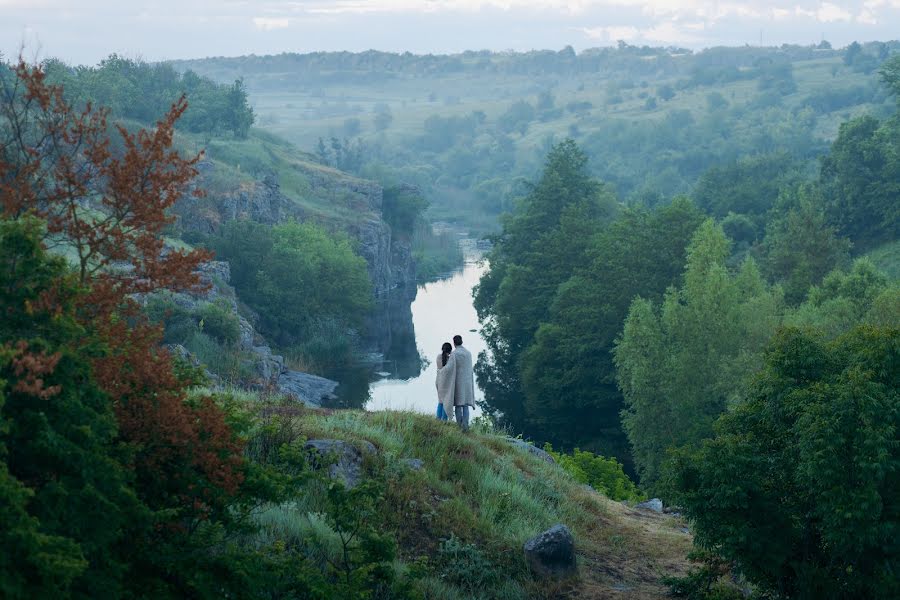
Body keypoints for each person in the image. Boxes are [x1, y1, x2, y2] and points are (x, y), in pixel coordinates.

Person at [446, 334, 475, 431]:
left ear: (454, 343)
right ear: (461, 341)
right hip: (467, 383)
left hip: (458, 382)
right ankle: (465, 426)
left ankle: (459, 426)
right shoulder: (468, 353)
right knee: (465, 404)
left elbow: (449, 368)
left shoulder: (454, 354)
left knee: (458, 404)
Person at [435, 342, 454, 421]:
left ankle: (438, 420)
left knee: (440, 401)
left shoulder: (438, 357)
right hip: (446, 383)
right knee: (446, 402)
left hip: (438, 381)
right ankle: (444, 421)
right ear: (449, 351)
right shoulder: (450, 360)